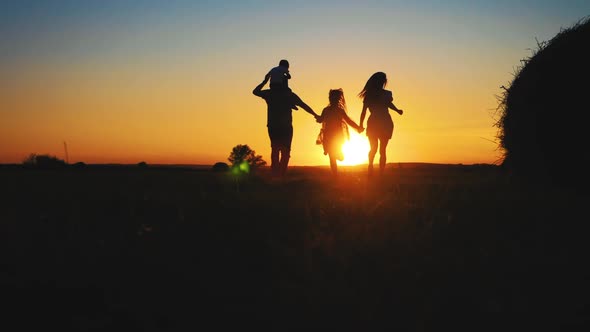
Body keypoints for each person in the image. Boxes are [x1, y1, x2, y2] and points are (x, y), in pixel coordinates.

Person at [253, 73, 320, 177]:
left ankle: (275, 174)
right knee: (285, 151)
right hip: (286, 127)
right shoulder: (289, 95)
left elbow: (255, 92)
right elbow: (303, 105)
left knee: (275, 149)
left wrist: (264, 81)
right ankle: (281, 175)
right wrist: (315, 115)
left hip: (272, 126)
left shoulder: (270, 93)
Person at [358, 72, 404, 176]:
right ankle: (374, 168)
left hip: (379, 122)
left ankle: (376, 170)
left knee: (377, 149)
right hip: (382, 122)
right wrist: (360, 124)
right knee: (379, 149)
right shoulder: (382, 94)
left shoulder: (378, 95)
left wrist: (397, 110)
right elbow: (364, 111)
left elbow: (389, 104)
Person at [316, 88, 363, 176]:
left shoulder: (340, 111)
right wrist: (318, 118)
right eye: (331, 98)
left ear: (338, 100)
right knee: (331, 157)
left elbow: (348, 121)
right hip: (328, 135)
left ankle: (336, 159)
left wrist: (358, 128)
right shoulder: (326, 110)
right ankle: (335, 175)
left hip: (338, 136)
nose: (332, 100)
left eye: (334, 98)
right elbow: (321, 119)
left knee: (340, 157)